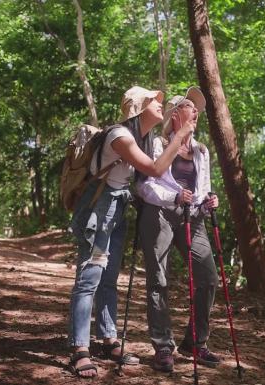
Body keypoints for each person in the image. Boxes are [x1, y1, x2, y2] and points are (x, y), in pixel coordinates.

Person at [67, 86, 194, 379]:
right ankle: (80, 349)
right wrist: (179, 135)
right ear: (139, 108)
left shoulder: (145, 137)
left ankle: (108, 339)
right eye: (154, 101)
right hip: (98, 209)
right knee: (90, 277)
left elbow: (148, 179)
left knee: (109, 277)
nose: (160, 105)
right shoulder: (120, 135)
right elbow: (153, 169)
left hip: (118, 206)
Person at [137, 86, 221, 373]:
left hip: (191, 217)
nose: (195, 110)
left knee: (208, 277)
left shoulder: (201, 150)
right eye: (189, 106)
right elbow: (145, 186)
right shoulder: (157, 145)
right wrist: (173, 197)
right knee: (158, 280)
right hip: (159, 214)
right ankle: (162, 345)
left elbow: (203, 188)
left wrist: (208, 201)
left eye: (196, 108)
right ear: (175, 115)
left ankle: (194, 342)